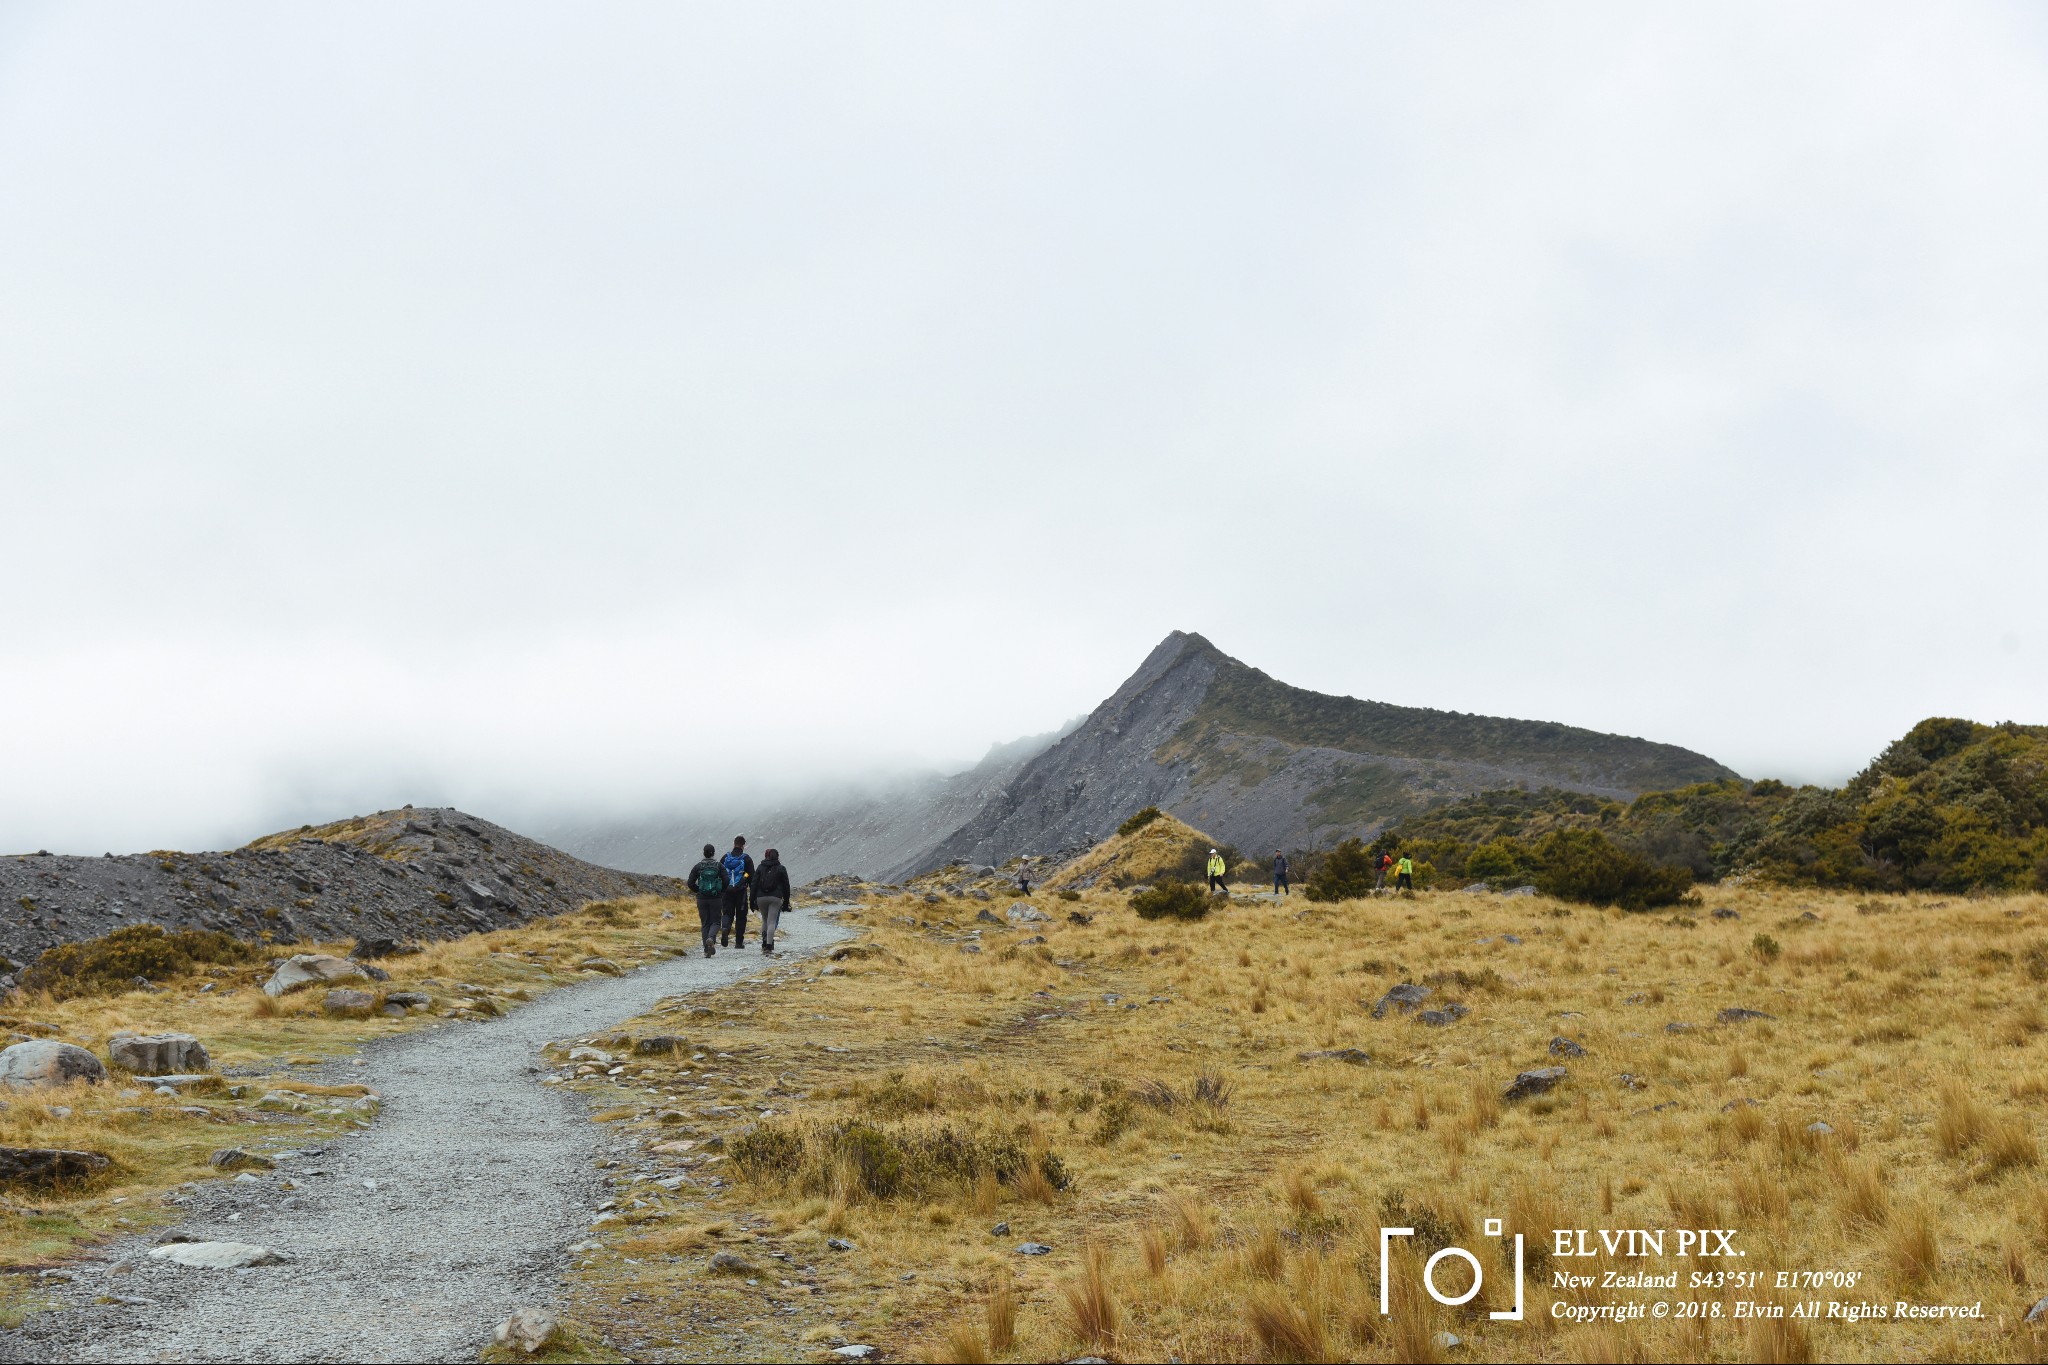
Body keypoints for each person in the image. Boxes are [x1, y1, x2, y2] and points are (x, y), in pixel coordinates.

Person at [687, 843, 725, 955]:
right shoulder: (719, 866)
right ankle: (711, 939)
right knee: (716, 922)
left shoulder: (698, 866)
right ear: (713, 853)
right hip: (716, 898)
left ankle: (706, 951)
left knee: (705, 923)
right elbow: (726, 880)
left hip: (702, 899)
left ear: (704, 853)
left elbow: (690, 883)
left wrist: (699, 890)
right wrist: (720, 892)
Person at [753, 847, 792, 954]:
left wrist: (752, 900)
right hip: (776, 898)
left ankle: (764, 943)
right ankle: (769, 946)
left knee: (765, 920)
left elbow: (754, 884)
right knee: (772, 921)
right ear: (777, 856)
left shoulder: (760, 867)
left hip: (761, 898)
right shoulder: (781, 868)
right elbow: (786, 886)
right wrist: (786, 901)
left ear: (766, 856)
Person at [720, 836, 756, 948]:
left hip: (727, 891)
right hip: (741, 892)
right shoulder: (747, 859)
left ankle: (725, 928)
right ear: (743, 845)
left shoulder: (725, 857)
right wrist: (745, 878)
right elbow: (751, 876)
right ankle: (739, 943)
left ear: (733, 844)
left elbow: (720, 874)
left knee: (727, 913)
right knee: (741, 916)